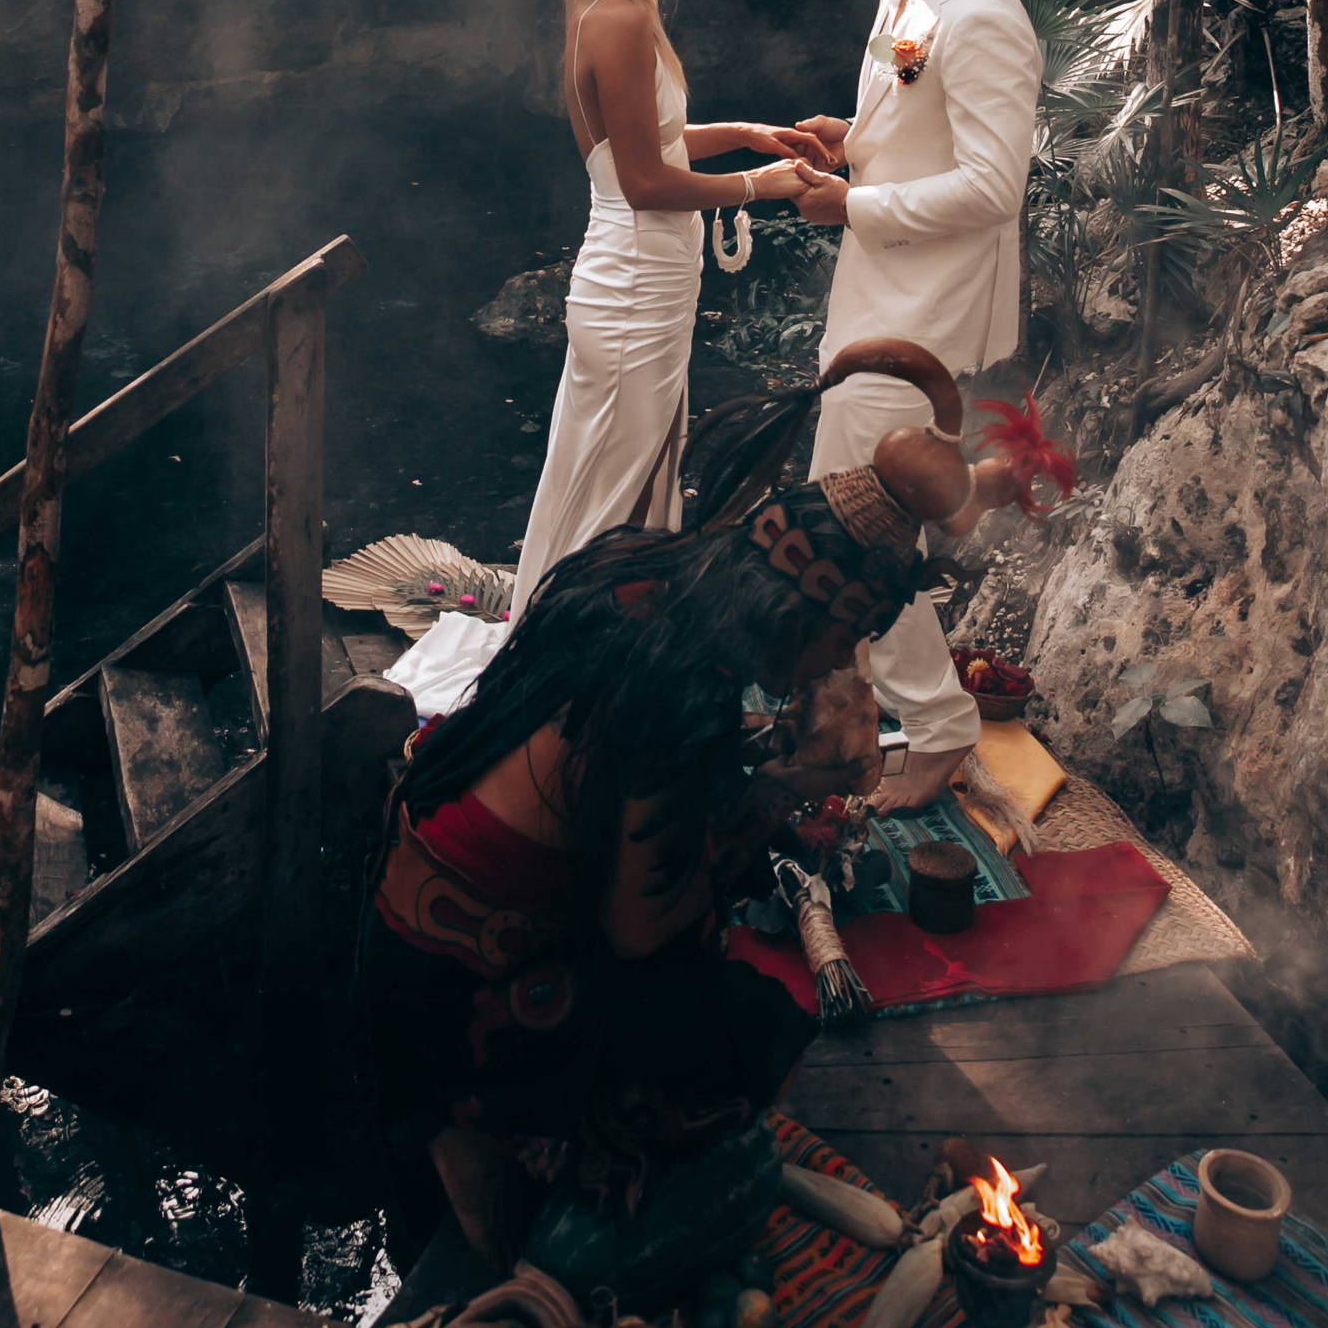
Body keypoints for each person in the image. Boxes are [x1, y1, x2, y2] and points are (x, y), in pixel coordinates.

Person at [357, 343, 967, 1261]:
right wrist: (786, 794)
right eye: (843, 645)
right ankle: (493, 1154)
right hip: (452, 981)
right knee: (730, 1022)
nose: (831, 670)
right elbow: (644, 932)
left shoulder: (643, 569)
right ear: (815, 617)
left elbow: (614, 797)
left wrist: (757, 773)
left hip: (398, 919)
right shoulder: (680, 691)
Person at [790, 0, 1041, 809]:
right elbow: (909, 118)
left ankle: (934, 727)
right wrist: (848, 143)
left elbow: (991, 186)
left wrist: (851, 203)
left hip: (924, 312)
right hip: (873, 297)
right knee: (839, 514)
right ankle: (842, 709)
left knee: (857, 522)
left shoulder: (983, 15)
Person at [512, 0, 827, 611]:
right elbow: (648, 181)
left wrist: (747, 134)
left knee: (630, 467)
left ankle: (604, 641)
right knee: (617, 482)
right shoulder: (616, 20)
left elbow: (650, 142)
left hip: (640, 282)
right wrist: (763, 184)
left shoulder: (610, 10)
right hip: (631, 288)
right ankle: (575, 649)